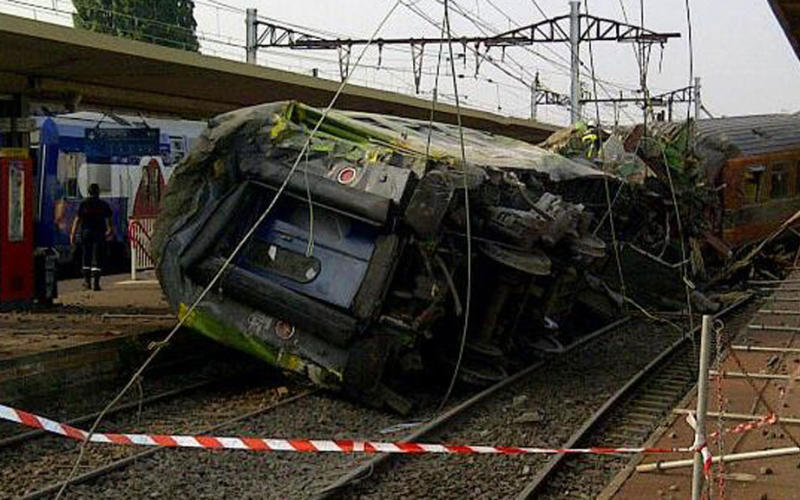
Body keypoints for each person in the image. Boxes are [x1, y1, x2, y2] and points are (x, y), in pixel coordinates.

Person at [70, 183, 113, 291]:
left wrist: (72, 234)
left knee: (86, 256)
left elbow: (77, 220)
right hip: (99, 234)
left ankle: (87, 282)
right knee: (97, 258)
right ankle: (96, 284)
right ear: (98, 192)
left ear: (88, 192)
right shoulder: (103, 204)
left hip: (86, 233)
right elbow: (108, 220)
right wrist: (109, 230)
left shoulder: (84, 204)